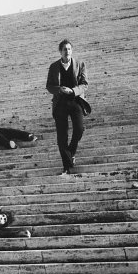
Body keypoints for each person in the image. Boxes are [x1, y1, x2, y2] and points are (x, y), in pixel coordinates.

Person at [46, 39, 91, 175]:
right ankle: (67, 166)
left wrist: (73, 91)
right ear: (60, 51)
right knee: (62, 136)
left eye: (69, 49)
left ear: (72, 50)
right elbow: (49, 86)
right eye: (65, 49)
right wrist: (59, 89)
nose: (67, 51)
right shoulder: (54, 66)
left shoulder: (80, 64)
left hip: (76, 101)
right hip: (60, 103)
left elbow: (84, 84)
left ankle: (70, 152)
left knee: (79, 129)